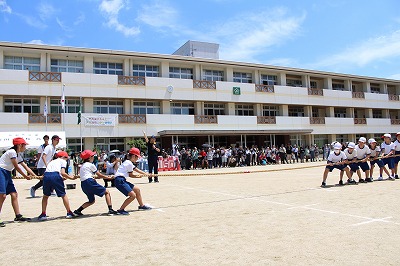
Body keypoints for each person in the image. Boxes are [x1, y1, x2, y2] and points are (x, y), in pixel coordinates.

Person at [0, 138, 36, 227]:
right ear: (19, 145)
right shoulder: (12, 152)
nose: (25, 147)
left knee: (14, 194)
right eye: (24, 145)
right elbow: (17, 167)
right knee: (2, 196)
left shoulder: (17, 154)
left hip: (7, 173)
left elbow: (25, 166)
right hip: (1, 171)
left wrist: (36, 176)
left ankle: (18, 215)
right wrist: (25, 176)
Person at [73, 150, 118, 216]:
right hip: (90, 182)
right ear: (89, 158)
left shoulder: (83, 165)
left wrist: (103, 177)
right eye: (92, 156)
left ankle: (78, 211)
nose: (94, 157)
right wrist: (109, 177)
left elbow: (89, 176)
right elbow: (99, 175)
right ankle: (110, 210)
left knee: (91, 201)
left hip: (83, 184)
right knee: (107, 192)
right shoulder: (91, 165)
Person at [37, 151, 78, 221]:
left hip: (46, 175)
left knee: (45, 195)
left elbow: (48, 172)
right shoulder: (63, 161)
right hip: (55, 175)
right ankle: (69, 212)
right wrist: (71, 178)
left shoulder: (52, 161)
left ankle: (43, 214)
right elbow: (63, 173)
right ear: (64, 157)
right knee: (63, 195)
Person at [113, 148, 152, 215]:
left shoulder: (128, 162)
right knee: (132, 195)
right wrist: (138, 176)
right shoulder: (129, 163)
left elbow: (136, 169)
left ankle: (141, 206)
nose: (137, 159)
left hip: (121, 180)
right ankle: (121, 210)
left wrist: (146, 174)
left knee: (137, 190)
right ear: (134, 156)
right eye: (137, 157)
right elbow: (131, 175)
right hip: (119, 180)